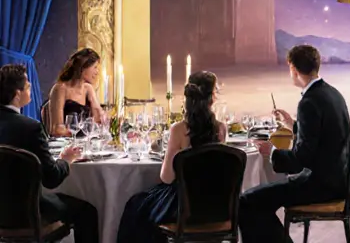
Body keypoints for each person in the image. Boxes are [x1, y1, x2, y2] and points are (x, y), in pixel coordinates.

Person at [240, 45, 350, 243]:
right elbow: (323, 136)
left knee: (247, 201)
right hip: (339, 178)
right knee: (259, 200)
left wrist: (272, 151)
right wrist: (293, 125)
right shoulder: (332, 93)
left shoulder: (308, 102)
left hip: (321, 184)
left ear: (293, 69)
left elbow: (301, 160)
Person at [117, 72, 226, 242]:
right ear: (212, 98)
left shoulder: (179, 129)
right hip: (216, 206)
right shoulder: (221, 129)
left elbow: (167, 178)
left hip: (185, 207)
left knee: (136, 206)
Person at [0, 64, 99, 243]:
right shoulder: (30, 128)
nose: (30, 87)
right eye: (27, 85)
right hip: (27, 213)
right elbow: (51, 179)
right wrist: (65, 160)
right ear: (17, 94)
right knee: (87, 211)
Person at [46, 47, 108, 135]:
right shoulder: (60, 89)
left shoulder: (88, 89)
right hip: (65, 144)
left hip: (83, 142)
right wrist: (77, 134)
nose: (97, 72)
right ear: (82, 67)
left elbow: (98, 119)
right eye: (95, 67)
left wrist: (103, 116)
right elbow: (57, 129)